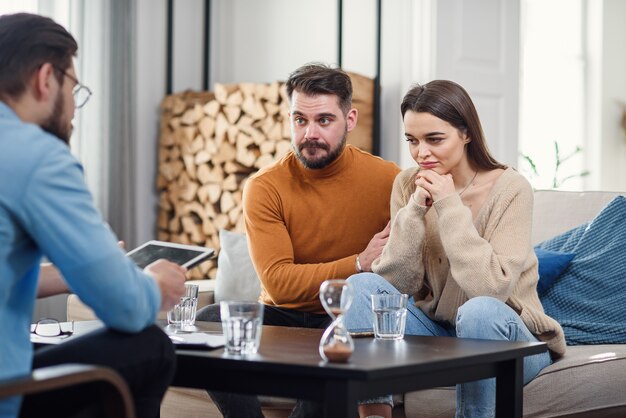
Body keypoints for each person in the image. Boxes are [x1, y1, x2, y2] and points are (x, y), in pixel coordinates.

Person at [0, 13, 188, 418]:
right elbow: (124, 306)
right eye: (75, 89)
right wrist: (155, 284)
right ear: (46, 79)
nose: (73, 109)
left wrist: (65, 275)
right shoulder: (38, 157)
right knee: (148, 345)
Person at [344, 80, 567, 418]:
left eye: (434, 139)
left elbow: (489, 290)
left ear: (466, 133)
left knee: (478, 312)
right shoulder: (408, 184)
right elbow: (396, 284)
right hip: (439, 334)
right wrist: (416, 210)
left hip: (513, 340)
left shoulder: (512, 189)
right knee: (360, 287)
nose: (421, 153)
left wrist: (448, 204)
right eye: (412, 141)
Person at [196, 63, 400, 417]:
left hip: (343, 319)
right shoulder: (265, 187)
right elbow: (279, 283)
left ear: (349, 120)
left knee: (344, 339)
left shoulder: (388, 179)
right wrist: (357, 263)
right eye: (300, 120)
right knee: (212, 319)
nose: (310, 133)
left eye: (324, 120)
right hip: (283, 320)